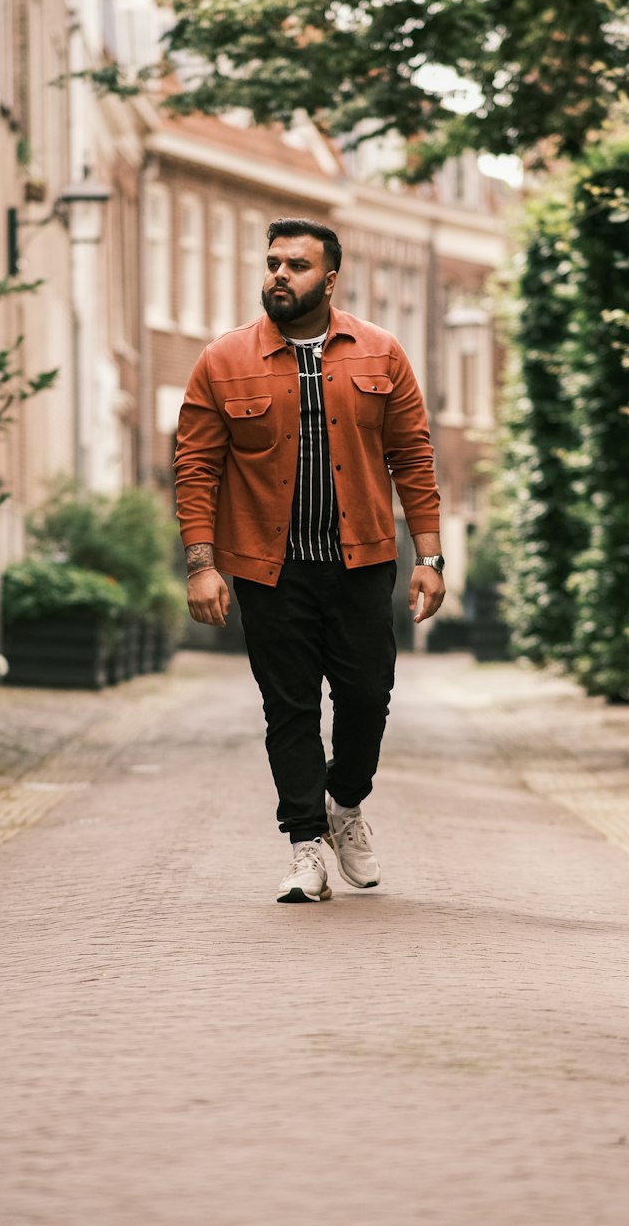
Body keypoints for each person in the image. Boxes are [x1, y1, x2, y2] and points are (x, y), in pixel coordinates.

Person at [174, 217, 445, 903]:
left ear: (329, 279)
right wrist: (201, 564)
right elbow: (196, 467)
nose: (278, 276)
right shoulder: (222, 360)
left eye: (296, 265)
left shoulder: (381, 353)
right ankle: (304, 844)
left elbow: (412, 458)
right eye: (271, 263)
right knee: (288, 709)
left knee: (366, 699)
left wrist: (431, 556)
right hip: (270, 570)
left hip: (360, 565)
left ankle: (345, 804)